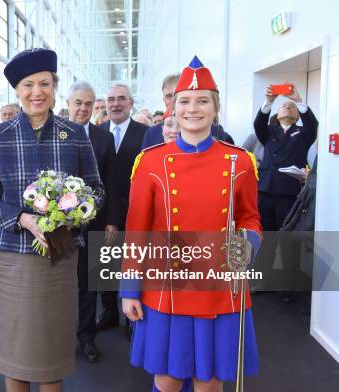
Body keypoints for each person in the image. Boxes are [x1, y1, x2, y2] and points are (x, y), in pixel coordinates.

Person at [121, 56, 262, 392]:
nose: (193, 109)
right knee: (168, 379)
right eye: (184, 101)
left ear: (215, 108)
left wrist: (247, 243)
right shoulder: (151, 162)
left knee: (209, 380)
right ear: (172, 108)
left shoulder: (240, 161)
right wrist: (129, 289)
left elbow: (250, 217)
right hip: (167, 284)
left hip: (219, 284)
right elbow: (137, 230)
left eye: (203, 101)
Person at [0, 48, 104, 392]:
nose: (37, 92)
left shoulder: (74, 134)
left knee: (51, 354)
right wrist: (24, 219)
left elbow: (97, 190)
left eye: (44, 83)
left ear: (54, 86)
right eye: (28, 85)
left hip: (58, 258)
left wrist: (74, 214)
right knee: (14, 353)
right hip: (11, 258)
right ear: (17, 90)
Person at [66, 81, 116, 363]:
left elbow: (111, 180)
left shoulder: (103, 138)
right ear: (69, 103)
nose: (83, 108)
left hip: (94, 222)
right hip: (57, 225)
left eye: (88, 103)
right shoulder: (53, 132)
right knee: (60, 282)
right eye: (78, 103)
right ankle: (59, 337)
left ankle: (86, 338)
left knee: (88, 283)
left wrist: (111, 221)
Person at [253, 84, 318, 302]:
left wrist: (298, 98)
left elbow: (312, 123)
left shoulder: (303, 133)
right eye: (284, 106)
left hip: (290, 194)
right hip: (266, 192)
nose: (287, 107)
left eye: (292, 107)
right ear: (277, 113)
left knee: (289, 242)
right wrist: (269, 102)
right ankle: (263, 282)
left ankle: (288, 288)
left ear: (297, 113)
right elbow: (258, 123)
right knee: (266, 240)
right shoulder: (269, 132)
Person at [97, 83, 149, 332]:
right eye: (111, 99)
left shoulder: (146, 133)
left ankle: (132, 319)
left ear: (130, 103)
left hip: (135, 210)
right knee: (106, 264)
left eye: (121, 99)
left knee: (132, 262)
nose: (115, 104)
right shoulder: (98, 132)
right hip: (103, 211)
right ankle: (109, 313)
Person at [141, 73, 234, 149]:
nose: (174, 100)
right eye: (169, 96)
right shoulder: (152, 134)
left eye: (177, 95)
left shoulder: (215, 130)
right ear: (163, 100)